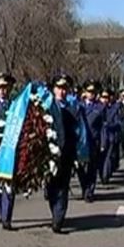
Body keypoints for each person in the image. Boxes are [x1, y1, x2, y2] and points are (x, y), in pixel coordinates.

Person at [46, 74, 79, 233]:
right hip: (50, 155)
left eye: (65, 88)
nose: (62, 91)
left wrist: (77, 153)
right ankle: (55, 212)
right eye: (59, 88)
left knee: (63, 187)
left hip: (67, 154)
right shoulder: (46, 108)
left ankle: (58, 219)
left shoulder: (73, 109)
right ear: (53, 90)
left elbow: (78, 132)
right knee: (52, 186)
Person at [0, 72, 17, 229]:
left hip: (11, 149)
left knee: (9, 183)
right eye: (0, 87)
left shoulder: (16, 106)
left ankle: (7, 216)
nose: (3, 90)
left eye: (6, 87)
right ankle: (2, 211)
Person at [76, 80, 106, 202]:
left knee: (92, 168)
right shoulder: (79, 106)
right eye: (89, 91)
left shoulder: (100, 107)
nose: (91, 94)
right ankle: (85, 187)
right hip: (81, 142)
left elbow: (103, 126)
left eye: (93, 92)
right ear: (85, 92)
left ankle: (90, 191)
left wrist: (103, 142)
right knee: (81, 168)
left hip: (94, 141)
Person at [99, 88, 122, 184]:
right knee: (99, 159)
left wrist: (108, 124)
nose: (104, 99)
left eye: (106, 97)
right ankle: (102, 173)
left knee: (107, 157)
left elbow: (118, 122)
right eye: (103, 97)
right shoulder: (97, 108)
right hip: (98, 137)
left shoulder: (114, 109)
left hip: (110, 136)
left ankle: (105, 176)